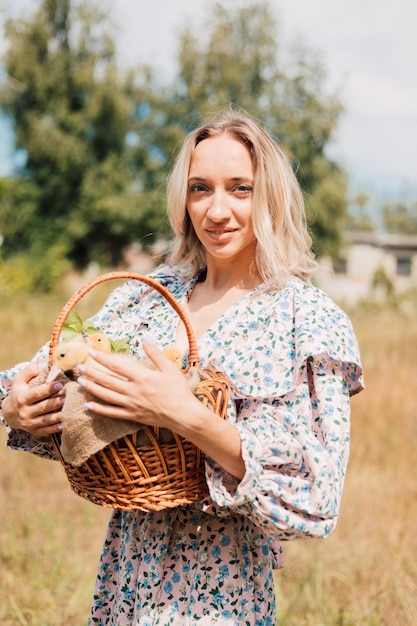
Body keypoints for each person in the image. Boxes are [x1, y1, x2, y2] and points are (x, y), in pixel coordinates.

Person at [0, 108, 363, 625]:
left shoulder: (306, 319)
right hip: (126, 575)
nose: (217, 210)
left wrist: (182, 414)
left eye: (240, 188)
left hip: (220, 589)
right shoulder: (147, 298)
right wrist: (17, 404)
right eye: (200, 188)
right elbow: (38, 373)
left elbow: (316, 494)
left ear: (270, 197)